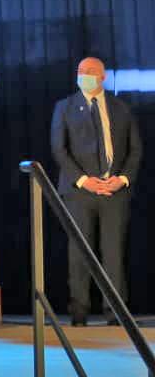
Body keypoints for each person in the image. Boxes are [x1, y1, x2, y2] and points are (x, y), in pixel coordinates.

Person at [50, 57, 143, 326]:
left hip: (114, 192)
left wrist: (122, 179)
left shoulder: (121, 108)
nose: (84, 75)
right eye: (81, 71)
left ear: (103, 77)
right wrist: (83, 180)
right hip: (80, 191)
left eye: (90, 71)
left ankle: (115, 312)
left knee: (113, 253)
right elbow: (59, 149)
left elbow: (135, 149)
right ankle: (79, 312)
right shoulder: (64, 107)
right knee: (79, 252)